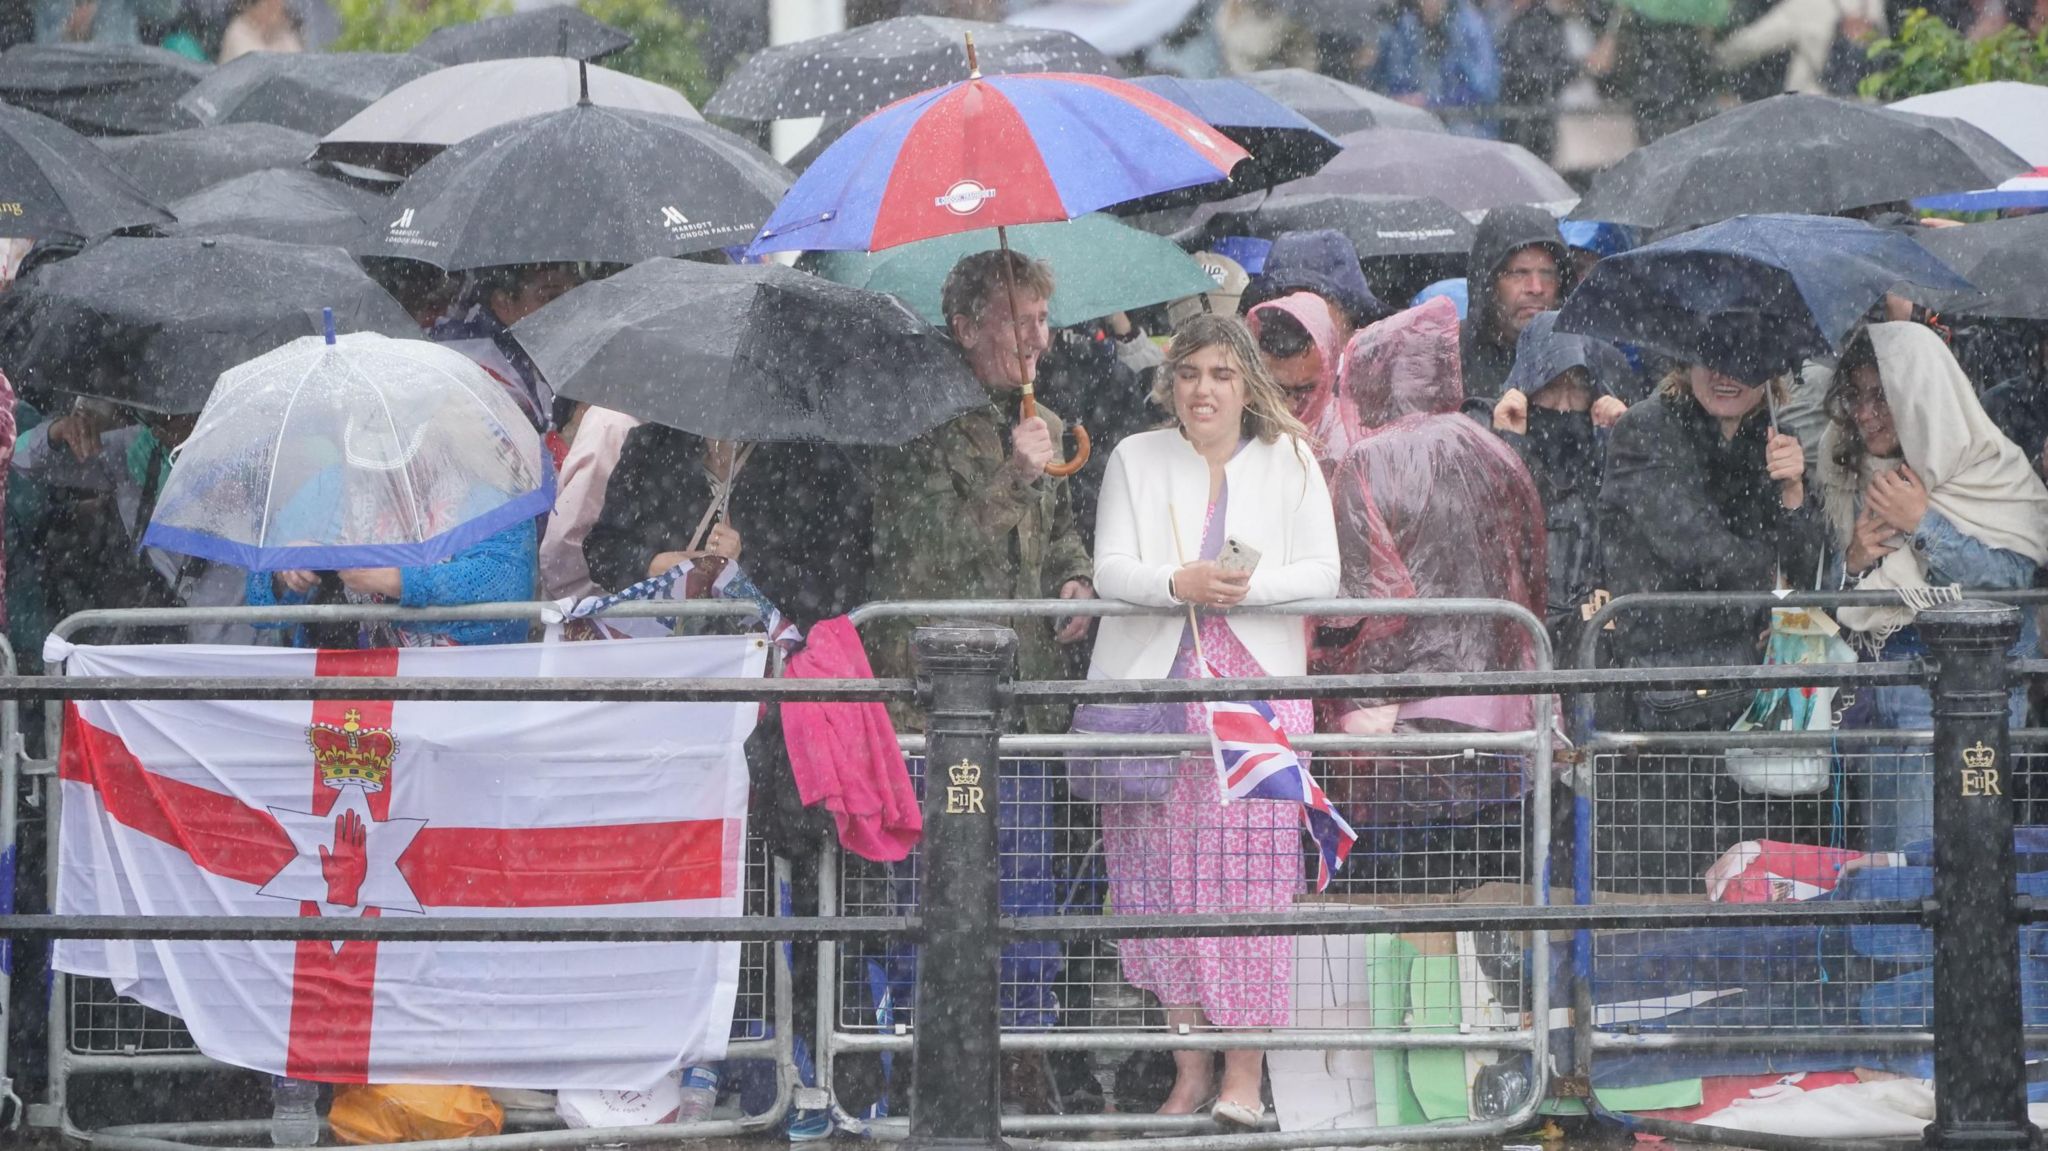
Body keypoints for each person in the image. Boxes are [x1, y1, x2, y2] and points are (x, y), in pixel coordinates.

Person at [1086, 312, 1339, 1125]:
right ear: (1171, 381)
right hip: (1156, 692)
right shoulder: (1134, 455)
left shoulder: (1291, 458)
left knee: (1252, 885)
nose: (1204, 389)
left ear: (1247, 384)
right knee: (1163, 887)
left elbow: (1323, 576)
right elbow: (1110, 570)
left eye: (1222, 374)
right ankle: (1188, 1068)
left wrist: (1234, 590)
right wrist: (1176, 583)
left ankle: (1242, 1078)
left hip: (1256, 693)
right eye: (1190, 372)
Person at [1594, 338, 1822, 890]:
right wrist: (1769, 585)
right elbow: (1693, 547)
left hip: (1751, 700)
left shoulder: (1768, 439)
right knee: (1666, 887)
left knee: (1758, 880)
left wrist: (1794, 491)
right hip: (1662, 700)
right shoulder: (1646, 429)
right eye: (1712, 355)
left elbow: (1808, 562)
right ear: (1683, 360)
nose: (1728, 373)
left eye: (1747, 357)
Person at [1319, 297, 1549, 827]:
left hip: (1404, 715)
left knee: (1406, 882)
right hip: (1503, 702)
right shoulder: (1494, 451)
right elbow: (1532, 572)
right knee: (1487, 880)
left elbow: (1362, 600)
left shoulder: (1368, 459)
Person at [1819, 324, 2048, 851]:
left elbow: (2011, 588)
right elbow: (1838, 594)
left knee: (1940, 870)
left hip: (1966, 694)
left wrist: (1925, 524)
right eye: (1856, 396)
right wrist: (1853, 560)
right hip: (1883, 693)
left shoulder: (1991, 466)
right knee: (1888, 875)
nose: (1865, 412)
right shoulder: (1864, 470)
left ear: (1920, 392)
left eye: (1882, 395)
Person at [865, 248, 1095, 729]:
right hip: (936, 699)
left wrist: (1075, 578)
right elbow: (922, 549)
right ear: (966, 329)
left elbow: (1060, 533)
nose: (1038, 339)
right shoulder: (917, 426)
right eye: (1018, 323)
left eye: (1043, 319)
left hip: (1026, 698)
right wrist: (1015, 478)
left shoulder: (1045, 425)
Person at [1491, 311, 1634, 646]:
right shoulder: (1490, 426)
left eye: (1578, 389)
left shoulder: (1607, 442)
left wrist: (1623, 443)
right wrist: (1511, 441)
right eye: (1552, 387)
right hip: (1519, 629)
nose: (1565, 405)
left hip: (1593, 634)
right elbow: (1509, 524)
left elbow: (1626, 526)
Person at [431, 263, 590, 432]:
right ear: (503, 303)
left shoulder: (538, 351)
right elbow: (517, 455)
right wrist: (577, 426)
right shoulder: (480, 365)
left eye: (574, 297)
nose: (567, 310)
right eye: (551, 297)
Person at [1461, 206, 1570, 407]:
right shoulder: (1451, 357)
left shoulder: (1585, 357)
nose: (1536, 288)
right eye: (1519, 273)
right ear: (1489, 283)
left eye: (1547, 273)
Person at [1248, 291, 1355, 467]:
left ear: (1328, 376)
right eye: (1277, 390)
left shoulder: (1343, 444)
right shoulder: (1235, 426)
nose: (1290, 406)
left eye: (1305, 391)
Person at [1237, 230, 1383, 354]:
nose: (1300, 319)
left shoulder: (1382, 379)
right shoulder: (1240, 375)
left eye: (1313, 304)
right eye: (1286, 303)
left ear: (1351, 320)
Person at [1369, 0, 1503, 135]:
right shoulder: (1409, 25)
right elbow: (1395, 76)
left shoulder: (1470, 26)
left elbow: (1484, 87)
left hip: (1465, 123)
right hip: (1416, 123)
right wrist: (1408, 97)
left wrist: (1435, 102)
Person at [217, 0, 301, 60]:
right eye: (270, 5)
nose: (278, 10)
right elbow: (256, 72)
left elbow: (298, 65)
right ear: (253, 7)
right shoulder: (237, 33)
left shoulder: (283, 34)